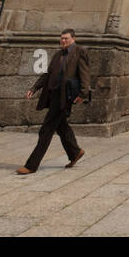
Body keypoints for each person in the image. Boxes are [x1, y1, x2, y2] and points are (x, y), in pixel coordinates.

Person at [18, 29, 90, 174]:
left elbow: (85, 73)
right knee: (61, 126)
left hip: (65, 96)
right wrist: (34, 88)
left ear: (73, 39)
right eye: (62, 38)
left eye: (66, 38)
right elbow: (48, 74)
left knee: (46, 129)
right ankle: (75, 152)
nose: (63, 41)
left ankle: (31, 165)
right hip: (53, 95)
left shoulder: (80, 51)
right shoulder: (58, 54)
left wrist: (83, 93)